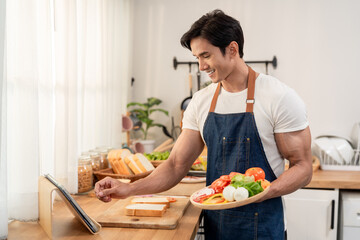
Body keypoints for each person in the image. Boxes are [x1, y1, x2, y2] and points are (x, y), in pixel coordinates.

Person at [95, 9, 312, 240]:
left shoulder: (278, 97)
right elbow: (176, 165)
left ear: (232, 49)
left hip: (263, 224)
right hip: (217, 225)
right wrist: (128, 188)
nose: (201, 66)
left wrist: (258, 194)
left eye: (206, 55)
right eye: (197, 57)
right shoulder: (201, 101)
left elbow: (303, 167)